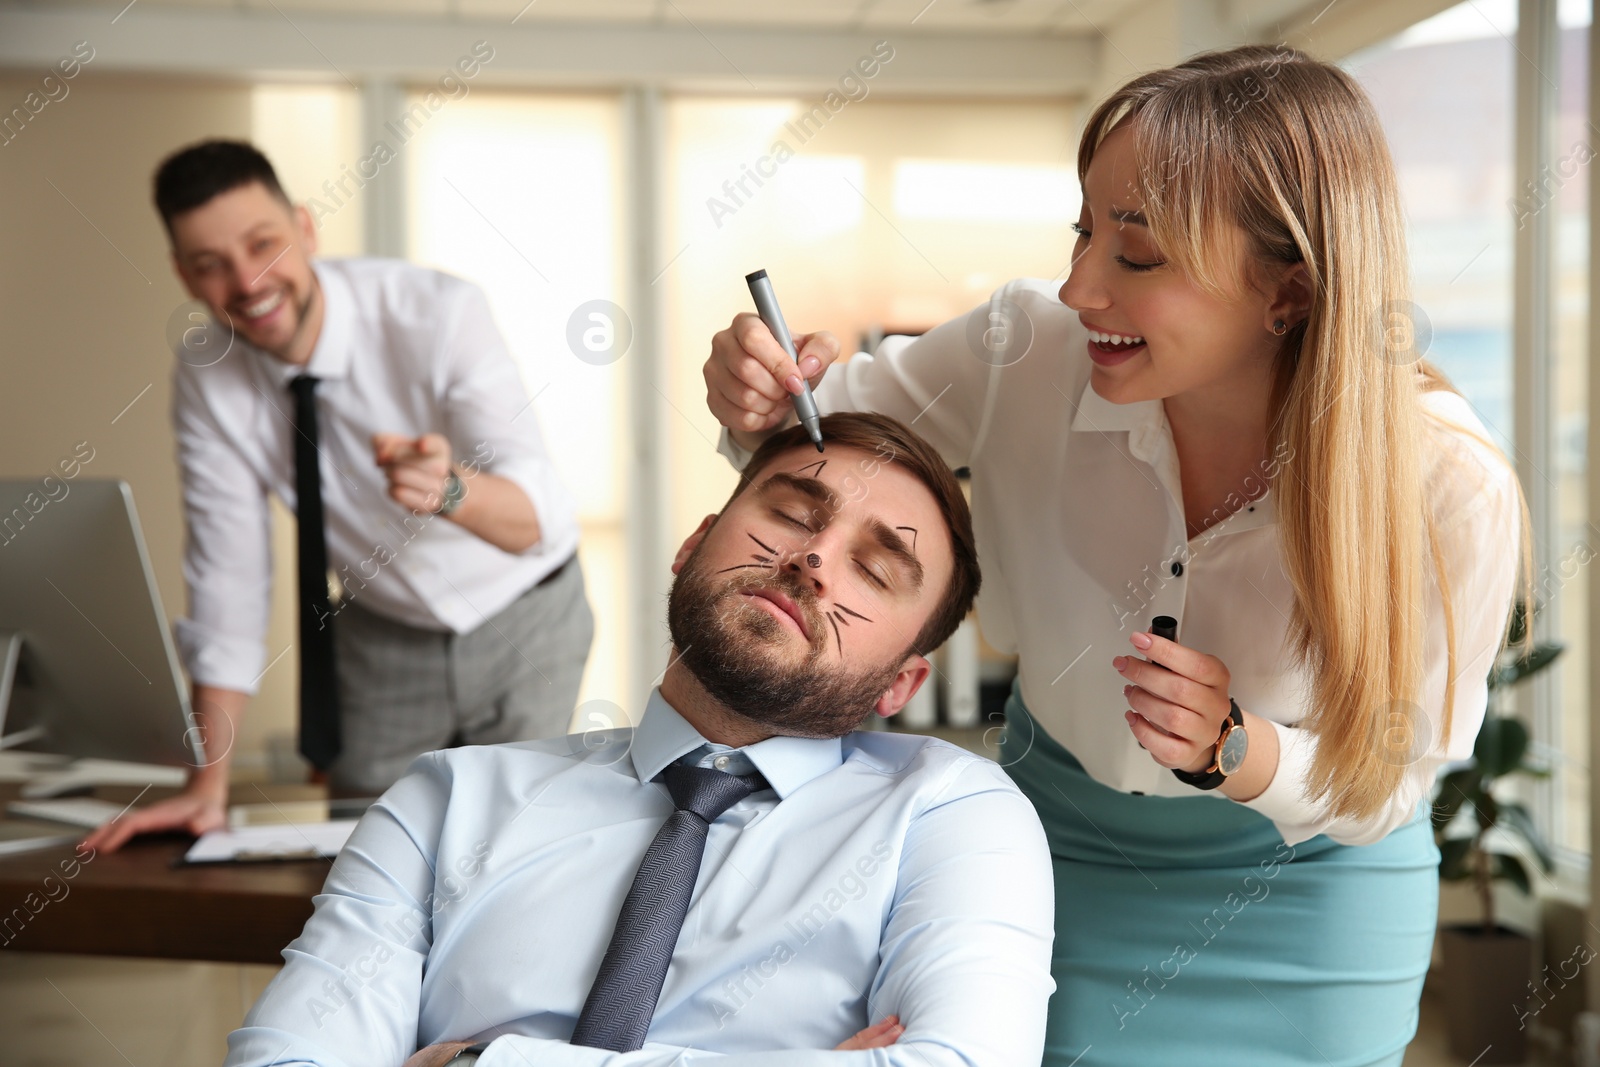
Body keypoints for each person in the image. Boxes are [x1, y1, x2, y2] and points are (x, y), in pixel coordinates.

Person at [701, 45, 1533, 1066]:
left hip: (1304, 894)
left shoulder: (1443, 482)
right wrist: (759, 399)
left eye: (1135, 257)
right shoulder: (1025, 347)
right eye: (1083, 229)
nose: (1077, 284)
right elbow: (819, 443)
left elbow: (1390, 777)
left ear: (1293, 289)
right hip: (1054, 850)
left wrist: (1237, 746)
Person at [222, 411, 1055, 1067]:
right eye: (797, 512)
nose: (813, 560)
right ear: (694, 545)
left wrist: (487, 1061)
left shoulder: (951, 815)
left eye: (875, 571)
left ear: (898, 684)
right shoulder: (445, 800)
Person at [84, 140, 593, 852]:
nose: (248, 280)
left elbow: (538, 519)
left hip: (526, 612)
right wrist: (208, 786)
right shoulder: (208, 378)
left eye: (264, 243)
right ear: (183, 275)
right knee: (364, 854)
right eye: (211, 265)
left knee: (507, 851)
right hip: (380, 630)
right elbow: (227, 579)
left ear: (306, 228)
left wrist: (450, 490)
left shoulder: (436, 311)